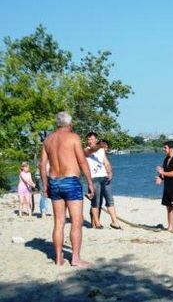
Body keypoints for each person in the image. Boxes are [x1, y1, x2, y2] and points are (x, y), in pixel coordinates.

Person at [39, 111, 94, 266]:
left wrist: (45, 185)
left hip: (54, 181)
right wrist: (89, 181)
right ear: (69, 124)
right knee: (76, 222)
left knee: (59, 222)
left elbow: (42, 165)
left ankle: (58, 258)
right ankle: (75, 258)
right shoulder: (73, 137)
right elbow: (82, 162)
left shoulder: (48, 140)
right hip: (70, 180)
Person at [84, 132, 121, 230]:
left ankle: (115, 222)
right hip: (93, 178)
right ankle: (97, 223)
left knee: (110, 200)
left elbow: (106, 162)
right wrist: (100, 145)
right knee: (95, 202)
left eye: (92, 139)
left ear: (96, 139)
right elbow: (91, 150)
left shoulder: (101, 151)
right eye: (88, 139)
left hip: (104, 177)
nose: (90, 141)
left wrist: (110, 172)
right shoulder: (86, 150)